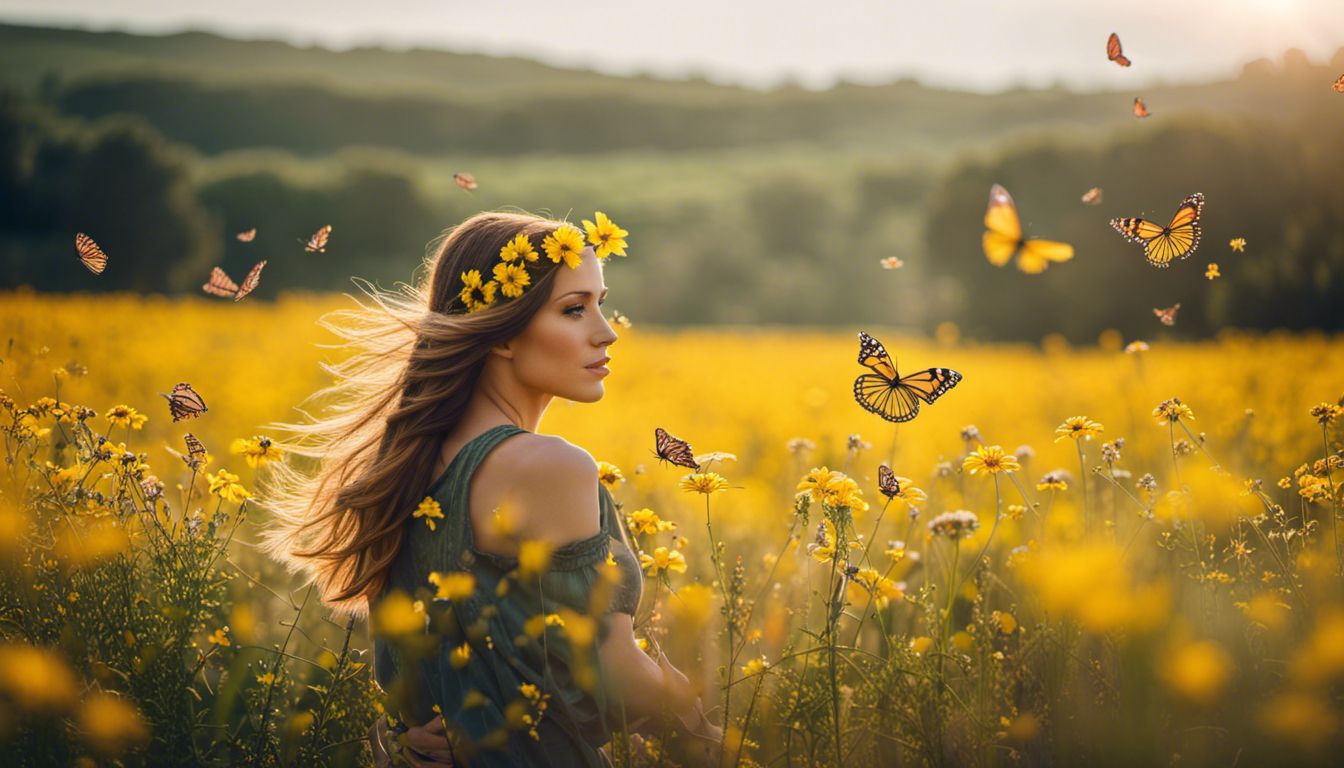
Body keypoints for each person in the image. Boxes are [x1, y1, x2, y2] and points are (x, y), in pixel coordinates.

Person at [260, 211, 721, 766]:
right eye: (574, 310)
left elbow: (414, 683)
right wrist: (701, 727)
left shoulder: (409, 464)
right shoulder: (548, 466)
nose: (606, 330)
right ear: (502, 330)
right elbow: (613, 670)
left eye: (601, 302)